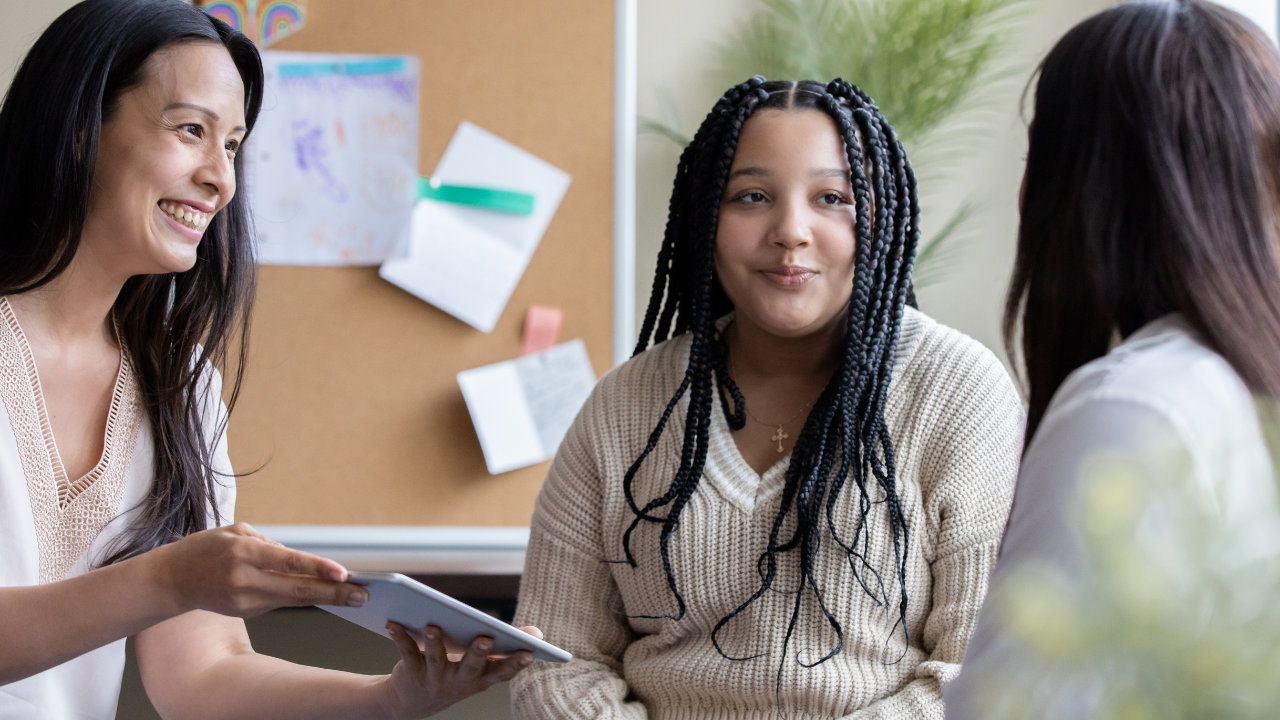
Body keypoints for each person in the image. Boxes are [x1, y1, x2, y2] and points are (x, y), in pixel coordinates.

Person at [0, 1, 537, 718]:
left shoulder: (181, 390)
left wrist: (397, 695)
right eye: (191, 130)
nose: (220, 179)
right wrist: (167, 581)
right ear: (77, 130)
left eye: (232, 146)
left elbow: (204, 677)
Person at [511, 77, 1024, 719]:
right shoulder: (624, 406)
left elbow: (986, 673)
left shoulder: (959, 392)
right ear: (704, 216)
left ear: (881, 217)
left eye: (832, 197)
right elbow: (556, 661)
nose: (790, 231)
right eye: (751, 196)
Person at [944, 2, 1280, 717]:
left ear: (1077, 185)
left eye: (1039, 152)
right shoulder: (1222, 384)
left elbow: (1012, 708)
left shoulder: (1131, 410)